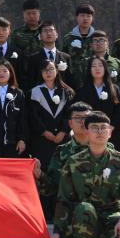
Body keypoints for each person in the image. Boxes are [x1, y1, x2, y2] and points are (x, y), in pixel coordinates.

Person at [52, 111, 120, 238]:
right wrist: (57, 230)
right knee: (84, 208)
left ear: (110, 132)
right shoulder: (74, 162)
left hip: (111, 216)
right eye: (94, 128)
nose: (99, 131)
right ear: (87, 132)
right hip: (83, 218)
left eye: (104, 128)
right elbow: (64, 198)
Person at [33, 101, 92, 232]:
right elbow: (51, 187)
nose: (83, 122)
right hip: (70, 219)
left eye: (86, 118)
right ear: (70, 123)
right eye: (78, 118)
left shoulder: (104, 150)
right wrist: (40, 175)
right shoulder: (62, 152)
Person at [27, 58, 74, 217]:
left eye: (51, 69)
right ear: (41, 73)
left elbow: (69, 114)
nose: (48, 72)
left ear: (57, 71)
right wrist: (44, 132)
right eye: (45, 70)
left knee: (61, 174)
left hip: (62, 140)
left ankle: (60, 212)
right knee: (44, 174)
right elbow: (33, 116)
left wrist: (63, 131)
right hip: (42, 141)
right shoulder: (35, 92)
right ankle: (45, 212)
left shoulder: (66, 92)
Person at [76, 57, 120, 151]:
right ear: (89, 70)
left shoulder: (114, 89)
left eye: (100, 65)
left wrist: (112, 126)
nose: (97, 68)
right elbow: (79, 111)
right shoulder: (82, 90)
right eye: (94, 66)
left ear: (105, 68)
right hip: (89, 132)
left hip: (111, 132)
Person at [21, 21, 70, 90]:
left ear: (56, 35)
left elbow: (70, 80)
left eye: (51, 30)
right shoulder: (33, 59)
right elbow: (30, 81)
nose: (48, 33)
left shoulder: (66, 57)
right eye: (45, 31)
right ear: (40, 36)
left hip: (62, 94)